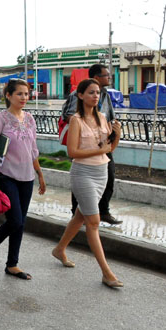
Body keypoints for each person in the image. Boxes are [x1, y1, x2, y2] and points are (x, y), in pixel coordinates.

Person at [52, 78, 124, 289]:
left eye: (98, 92)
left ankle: (59, 249)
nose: (95, 96)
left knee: (81, 216)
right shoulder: (76, 120)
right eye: (91, 92)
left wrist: (117, 135)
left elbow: (109, 148)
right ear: (80, 95)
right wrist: (100, 150)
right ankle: (106, 273)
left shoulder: (102, 118)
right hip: (83, 173)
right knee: (93, 221)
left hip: (101, 171)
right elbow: (73, 152)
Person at [0, 79, 46, 280]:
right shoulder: (0, 119)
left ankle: (12, 264)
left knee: (20, 222)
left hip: (27, 176)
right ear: (8, 96)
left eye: (26, 94)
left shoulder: (29, 118)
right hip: (6, 175)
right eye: (19, 94)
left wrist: (40, 174)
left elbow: (33, 149)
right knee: (16, 221)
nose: (24, 98)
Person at [61, 64, 122, 225]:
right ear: (96, 77)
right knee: (81, 182)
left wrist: (113, 133)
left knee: (109, 175)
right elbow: (68, 115)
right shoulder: (78, 95)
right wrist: (87, 126)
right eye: (106, 75)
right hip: (85, 146)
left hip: (104, 143)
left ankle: (103, 211)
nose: (109, 78)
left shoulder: (105, 95)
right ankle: (77, 212)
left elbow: (110, 116)